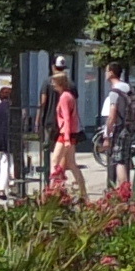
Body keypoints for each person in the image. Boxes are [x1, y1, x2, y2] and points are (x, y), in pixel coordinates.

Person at [45, 73, 82, 201]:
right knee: (71, 164)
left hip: (65, 133)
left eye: (54, 82)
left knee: (55, 160)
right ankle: (83, 193)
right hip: (71, 133)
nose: (52, 84)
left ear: (59, 83)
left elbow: (66, 118)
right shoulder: (69, 96)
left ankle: (53, 191)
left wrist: (66, 137)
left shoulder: (64, 97)